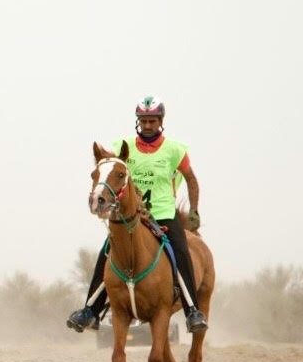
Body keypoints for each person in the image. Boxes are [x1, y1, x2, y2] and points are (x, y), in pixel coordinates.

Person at [67, 96, 208, 333]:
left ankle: (192, 310)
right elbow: (108, 165)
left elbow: (191, 180)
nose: (148, 125)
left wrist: (194, 210)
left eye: (152, 121)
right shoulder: (125, 146)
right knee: (106, 251)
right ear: (138, 122)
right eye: (143, 121)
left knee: (181, 251)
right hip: (133, 214)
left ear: (160, 121)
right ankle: (90, 310)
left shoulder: (174, 150)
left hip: (163, 213)